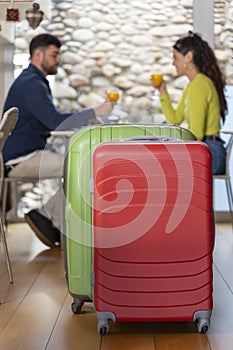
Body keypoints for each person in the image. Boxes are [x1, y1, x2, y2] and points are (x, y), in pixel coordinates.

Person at [2, 33, 114, 248]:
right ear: (38, 54)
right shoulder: (31, 84)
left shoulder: (32, 81)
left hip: (26, 153)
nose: (58, 60)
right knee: (82, 167)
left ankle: (51, 219)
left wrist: (85, 117)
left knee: (79, 165)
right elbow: (54, 121)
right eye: (54, 55)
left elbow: (51, 119)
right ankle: (47, 216)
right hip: (20, 159)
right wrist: (95, 111)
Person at [152, 31, 227, 175]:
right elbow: (175, 119)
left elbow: (196, 134)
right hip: (208, 150)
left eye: (175, 57)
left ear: (189, 57)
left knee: (159, 165)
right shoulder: (193, 85)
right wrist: (163, 91)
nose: (173, 63)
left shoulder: (199, 85)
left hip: (210, 152)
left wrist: (171, 142)